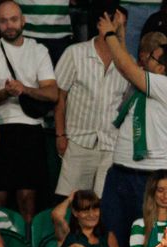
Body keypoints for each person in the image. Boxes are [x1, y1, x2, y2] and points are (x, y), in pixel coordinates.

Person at [96, 10, 167, 247]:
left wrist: (109, 34)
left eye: (153, 58)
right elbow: (125, 65)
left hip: (150, 178)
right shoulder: (147, 83)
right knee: (112, 238)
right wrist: (121, 34)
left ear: (162, 68)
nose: (146, 59)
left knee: (145, 241)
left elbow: (127, 67)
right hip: (120, 172)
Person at [0, 0, 58, 223]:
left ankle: (28, 244)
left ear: (23, 21)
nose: (9, 25)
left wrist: (24, 89)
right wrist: (6, 92)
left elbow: (52, 93)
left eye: (13, 19)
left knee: (28, 197)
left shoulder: (38, 50)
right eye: (3, 21)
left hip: (31, 129)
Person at [53, 7, 128, 200]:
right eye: (117, 23)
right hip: (78, 140)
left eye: (124, 25)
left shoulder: (127, 63)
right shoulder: (75, 53)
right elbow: (59, 97)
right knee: (71, 202)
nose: (121, 28)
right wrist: (60, 134)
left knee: (105, 204)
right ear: (102, 23)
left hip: (111, 143)